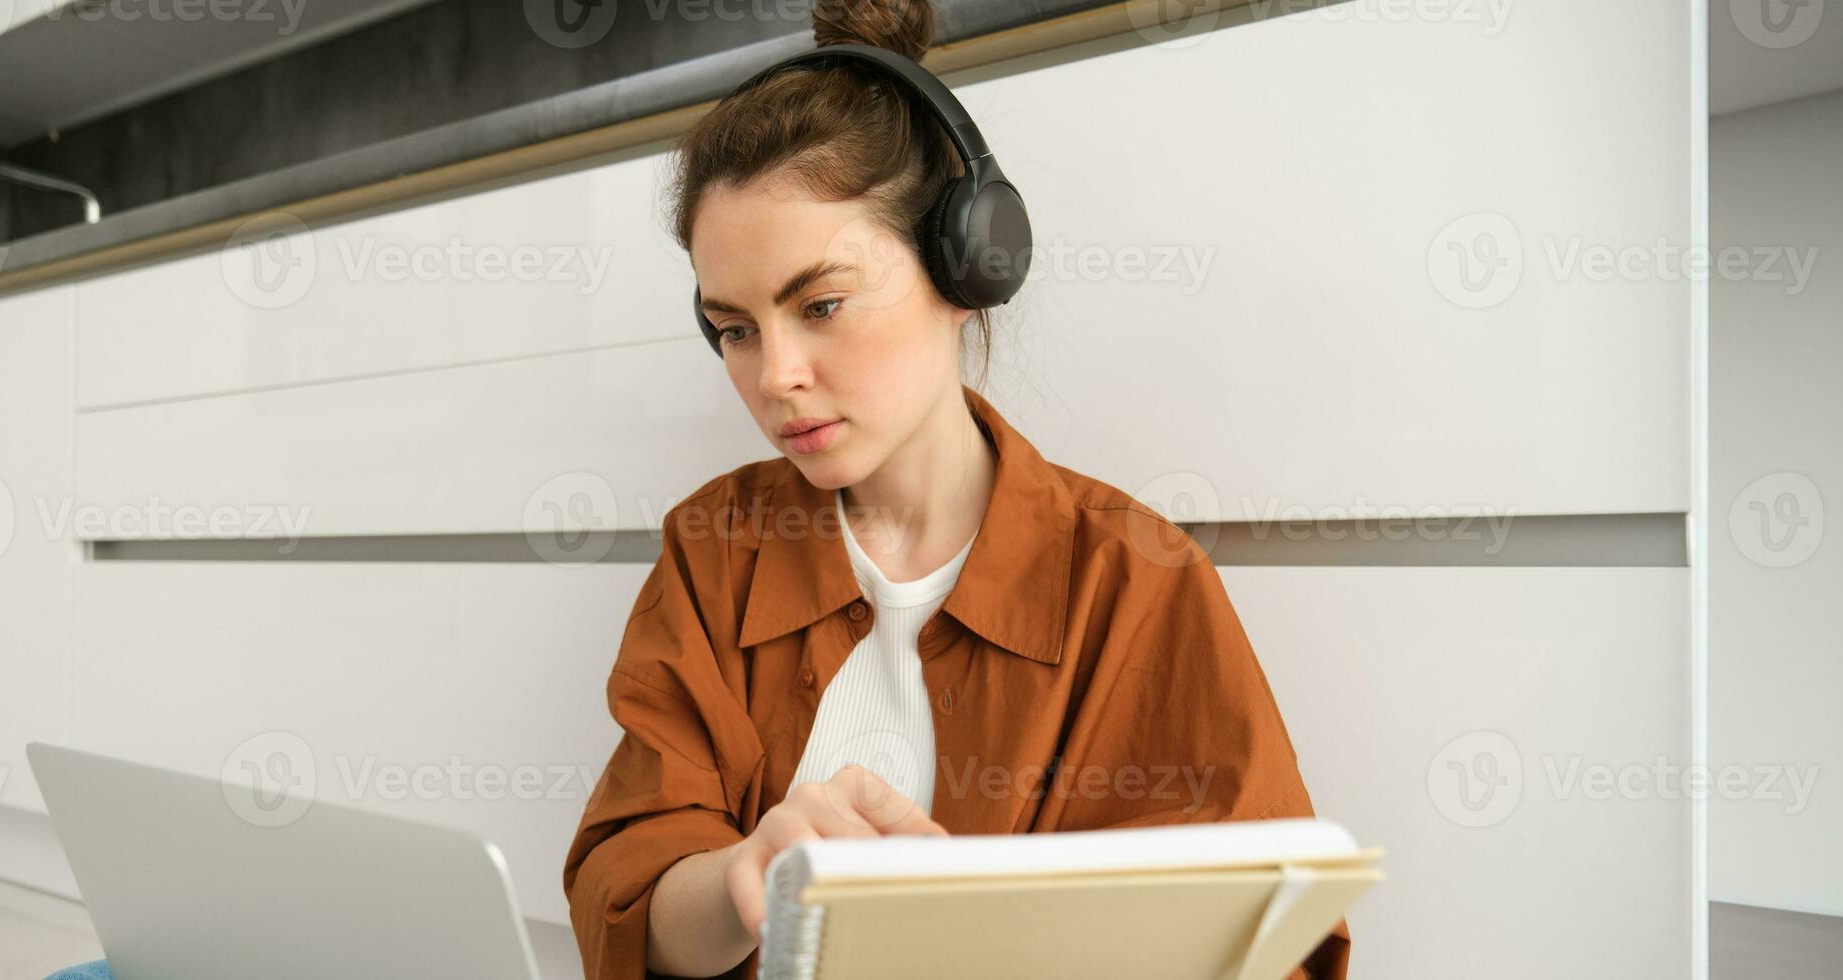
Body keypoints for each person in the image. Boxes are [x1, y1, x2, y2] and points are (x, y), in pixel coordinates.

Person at [559, 2, 1349, 978]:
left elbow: (1270, 945)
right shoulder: (717, 543)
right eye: (735, 327)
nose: (775, 374)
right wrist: (741, 874)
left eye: (820, 305)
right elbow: (624, 885)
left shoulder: (1136, 581)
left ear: (965, 264)